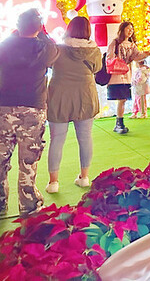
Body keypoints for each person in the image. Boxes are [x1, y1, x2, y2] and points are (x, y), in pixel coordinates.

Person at [0, 9, 58, 219]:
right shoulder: (44, 48)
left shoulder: (4, 46)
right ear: (39, 27)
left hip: (4, 108)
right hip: (32, 110)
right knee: (28, 162)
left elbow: (0, 59)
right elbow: (54, 51)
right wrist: (42, 33)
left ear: (18, 26)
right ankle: (29, 206)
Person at [45, 16, 100, 194]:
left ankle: (53, 182)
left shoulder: (57, 49)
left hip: (59, 98)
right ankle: (84, 177)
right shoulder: (94, 51)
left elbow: (47, 64)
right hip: (85, 97)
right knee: (85, 138)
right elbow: (97, 68)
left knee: (56, 140)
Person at [105, 21, 150, 134]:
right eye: (128, 29)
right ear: (122, 30)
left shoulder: (131, 44)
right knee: (122, 99)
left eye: (132, 29)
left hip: (126, 75)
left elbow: (136, 56)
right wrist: (119, 60)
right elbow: (109, 56)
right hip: (116, 76)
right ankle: (119, 123)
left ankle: (119, 123)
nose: (130, 31)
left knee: (123, 100)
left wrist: (145, 54)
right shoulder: (115, 42)